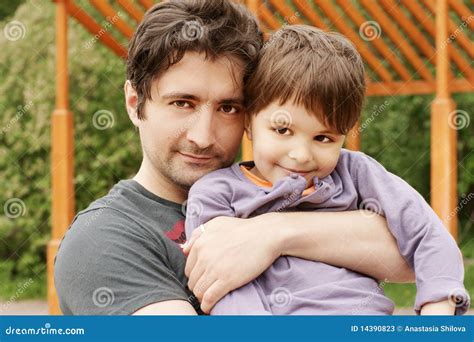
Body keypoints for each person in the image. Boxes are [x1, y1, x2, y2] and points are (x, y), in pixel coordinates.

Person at [54, 0, 414, 315]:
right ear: (136, 103)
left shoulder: (297, 187)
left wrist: (273, 234)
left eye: (228, 107)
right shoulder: (103, 239)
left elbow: (413, 252)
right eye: (183, 103)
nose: (203, 136)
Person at [185, 25, 469, 315]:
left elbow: (426, 232)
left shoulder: (356, 172)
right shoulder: (216, 194)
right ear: (249, 122)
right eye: (282, 129)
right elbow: (220, 282)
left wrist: (439, 305)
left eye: (324, 138)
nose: (301, 155)